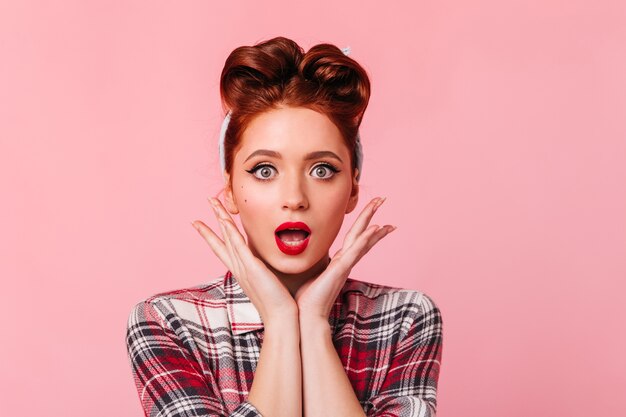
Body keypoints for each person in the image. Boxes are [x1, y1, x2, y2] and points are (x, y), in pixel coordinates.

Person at [126, 36, 443, 417]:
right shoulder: (167, 322)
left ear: (353, 188)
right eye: (264, 170)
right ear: (230, 189)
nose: (294, 197)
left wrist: (312, 324)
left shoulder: (405, 317)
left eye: (322, 170)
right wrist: (279, 322)